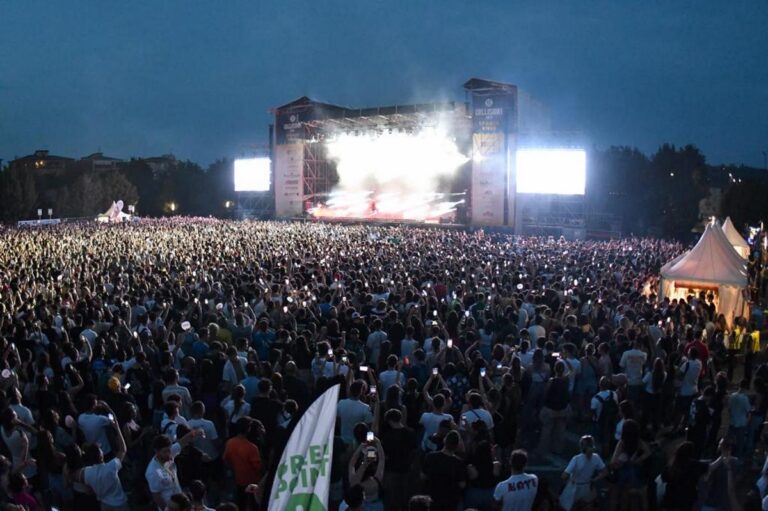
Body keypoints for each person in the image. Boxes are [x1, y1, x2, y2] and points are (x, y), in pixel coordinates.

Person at [79, 413, 129, 511]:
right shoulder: (112, 466)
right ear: (101, 456)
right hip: (119, 504)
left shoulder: (86, 472)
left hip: (105, 505)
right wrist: (117, 428)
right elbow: (123, 450)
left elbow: (83, 485)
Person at [145, 430, 200, 511]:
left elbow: (182, 442)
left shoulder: (169, 454)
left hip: (181, 502)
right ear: (156, 452)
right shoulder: (152, 472)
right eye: (165, 452)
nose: (168, 454)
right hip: (171, 507)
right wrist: (167, 509)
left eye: (169, 450)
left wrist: (196, 432)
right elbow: (156, 496)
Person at [222, 417, 262, 511]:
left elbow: (225, 459)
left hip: (238, 480)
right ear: (248, 429)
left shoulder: (230, 443)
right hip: (252, 482)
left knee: (241, 504)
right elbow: (257, 467)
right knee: (254, 505)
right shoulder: (252, 447)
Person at [559, 435, 607, 511]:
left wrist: (568, 480)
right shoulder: (596, 457)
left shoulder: (576, 459)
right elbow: (605, 472)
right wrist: (594, 480)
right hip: (587, 487)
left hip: (574, 487)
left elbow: (564, 476)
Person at [421, 430, 466, 511]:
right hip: (449, 500)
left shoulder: (430, 457)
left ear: (445, 440)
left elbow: (423, 476)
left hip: (431, 497)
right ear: (457, 445)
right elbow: (462, 484)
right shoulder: (458, 463)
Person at [348, 435, 385, 511]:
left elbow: (351, 464)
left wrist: (360, 448)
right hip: (376, 507)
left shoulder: (354, 482)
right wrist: (378, 443)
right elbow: (382, 460)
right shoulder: (376, 480)